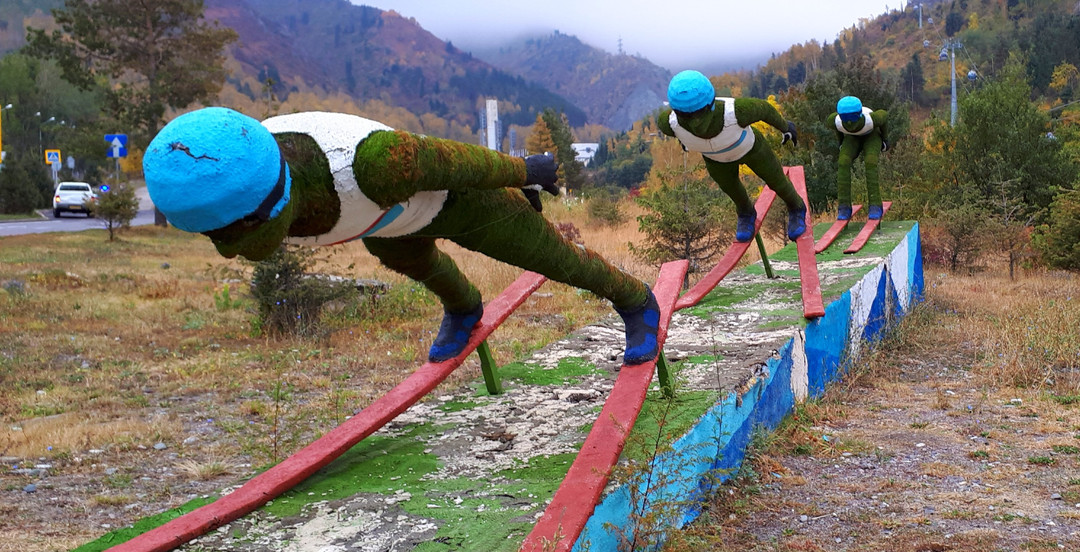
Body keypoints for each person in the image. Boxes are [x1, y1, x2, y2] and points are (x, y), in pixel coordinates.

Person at [143, 107, 659, 365]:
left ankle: (635, 301)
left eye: (247, 230)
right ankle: (463, 307)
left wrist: (524, 170)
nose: (232, 250)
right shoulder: (231, 163)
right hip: (385, 222)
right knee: (413, 265)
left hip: (457, 201)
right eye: (216, 236)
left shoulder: (371, 165)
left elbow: (453, 159)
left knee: (557, 259)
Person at [657, 70, 807, 243]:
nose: (695, 123)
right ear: (676, 112)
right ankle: (745, 211)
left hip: (752, 149)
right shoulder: (669, 124)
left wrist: (785, 127)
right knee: (732, 189)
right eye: (685, 116)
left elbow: (764, 109)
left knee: (777, 181)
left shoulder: (735, 112)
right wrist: (684, 139)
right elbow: (763, 109)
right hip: (716, 160)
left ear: (711, 105)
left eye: (700, 113)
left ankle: (796, 206)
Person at [831, 95, 889, 220]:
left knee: (870, 161)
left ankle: (875, 204)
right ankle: (844, 206)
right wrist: (841, 142)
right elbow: (837, 128)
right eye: (846, 120)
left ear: (860, 115)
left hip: (871, 135)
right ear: (841, 117)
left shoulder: (871, 119)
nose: (850, 123)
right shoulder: (836, 121)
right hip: (851, 138)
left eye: (852, 119)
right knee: (843, 162)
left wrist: (885, 140)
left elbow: (883, 117)